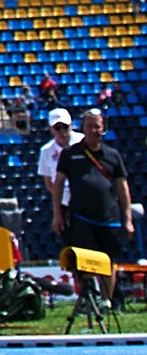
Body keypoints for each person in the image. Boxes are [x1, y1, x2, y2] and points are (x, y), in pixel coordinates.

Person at [58, 106, 136, 273]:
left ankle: (107, 299)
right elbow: (57, 184)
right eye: (89, 126)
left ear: (103, 128)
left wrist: (128, 219)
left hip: (109, 218)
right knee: (84, 264)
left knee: (109, 263)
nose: (93, 130)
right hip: (81, 218)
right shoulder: (69, 154)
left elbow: (123, 188)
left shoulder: (113, 155)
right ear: (83, 128)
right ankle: (88, 297)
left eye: (97, 126)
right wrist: (57, 214)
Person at [44, 109, 82, 236]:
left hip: (86, 199)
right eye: (57, 128)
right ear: (51, 129)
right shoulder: (46, 151)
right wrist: (59, 198)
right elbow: (48, 181)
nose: (62, 132)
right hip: (64, 202)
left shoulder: (83, 142)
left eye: (65, 127)